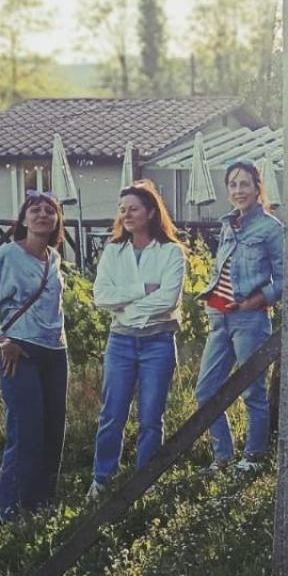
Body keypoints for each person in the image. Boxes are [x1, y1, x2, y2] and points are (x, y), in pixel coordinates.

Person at [0, 189, 68, 523]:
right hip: (20, 353)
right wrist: (1, 339)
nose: (43, 215)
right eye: (35, 210)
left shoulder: (54, 258)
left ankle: (41, 505)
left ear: (57, 220)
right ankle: (8, 514)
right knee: (25, 434)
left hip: (56, 354)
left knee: (54, 433)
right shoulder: (9, 255)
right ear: (24, 218)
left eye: (49, 211)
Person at [89, 180, 186, 498]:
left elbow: (169, 299)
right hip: (121, 343)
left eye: (133, 208)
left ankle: (146, 482)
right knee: (112, 413)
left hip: (158, 342)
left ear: (150, 212)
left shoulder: (172, 252)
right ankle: (102, 479)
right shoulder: (114, 251)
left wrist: (127, 307)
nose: (127, 214)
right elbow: (101, 297)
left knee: (150, 417)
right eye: (122, 209)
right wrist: (141, 291)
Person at [195, 160, 284, 472]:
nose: (238, 190)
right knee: (205, 391)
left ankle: (253, 458)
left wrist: (255, 301)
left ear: (257, 187)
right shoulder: (227, 225)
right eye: (233, 184)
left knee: (252, 390)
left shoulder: (271, 228)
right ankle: (223, 459)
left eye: (244, 183)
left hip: (249, 319)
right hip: (219, 318)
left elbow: (285, 280)